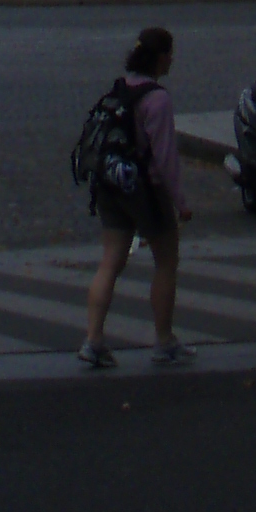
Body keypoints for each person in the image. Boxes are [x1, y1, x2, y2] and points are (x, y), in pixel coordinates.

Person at [79, 26, 193, 369]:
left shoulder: (120, 87)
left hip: (110, 185)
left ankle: (93, 340)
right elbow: (165, 158)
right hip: (145, 190)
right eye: (170, 53)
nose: (173, 59)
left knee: (111, 260)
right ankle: (164, 341)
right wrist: (181, 202)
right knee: (166, 262)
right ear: (160, 57)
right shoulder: (157, 99)